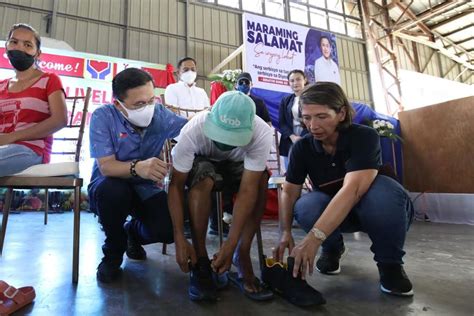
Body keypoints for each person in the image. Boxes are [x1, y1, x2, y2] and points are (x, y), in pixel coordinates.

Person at [274, 82, 414, 297]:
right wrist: (284, 232)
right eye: (307, 117)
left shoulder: (364, 136)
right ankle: (331, 249)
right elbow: (290, 191)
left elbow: (354, 189)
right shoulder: (302, 147)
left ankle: (390, 265)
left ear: (341, 113)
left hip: (374, 209)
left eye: (321, 116)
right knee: (307, 205)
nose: (313, 126)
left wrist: (313, 239)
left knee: (385, 193)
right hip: (337, 215)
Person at [168, 91, 274, 302]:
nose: (224, 143)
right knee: (204, 176)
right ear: (211, 117)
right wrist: (179, 236)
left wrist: (231, 244)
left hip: (235, 167)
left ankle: (242, 255)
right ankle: (200, 261)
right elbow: (176, 185)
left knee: (261, 178)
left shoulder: (262, 131)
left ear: (250, 126)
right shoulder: (194, 129)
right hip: (203, 162)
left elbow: (247, 190)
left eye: (233, 137)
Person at [88, 68, 188, 283]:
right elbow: (106, 166)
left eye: (151, 100)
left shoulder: (160, 114)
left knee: (170, 227)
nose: (148, 108)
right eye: (139, 104)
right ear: (118, 104)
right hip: (110, 186)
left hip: (145, 188)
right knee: (112, 191)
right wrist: (137, 167)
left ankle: (132, 233)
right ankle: (113, 251)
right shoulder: (103, 116)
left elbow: (190, 132)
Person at [0, 23, 67, 176]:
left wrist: (11, 138)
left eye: (28, 45)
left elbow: (60, 119)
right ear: (6, 46)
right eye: (14, 42)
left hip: (31, 151)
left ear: (38, 53)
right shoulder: (1, 86)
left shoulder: (50, 80)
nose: (19, 48)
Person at [278, 69, 308, 169]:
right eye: (292, 81)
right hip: (290, 139)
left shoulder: (312, 98)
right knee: (291, 170)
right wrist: (292, 137)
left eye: (298, 79)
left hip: (308, 136)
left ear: (305, 80)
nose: (295, 83)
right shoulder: (285, 100)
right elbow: (282, 123)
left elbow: (315, 119)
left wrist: (303, 137)